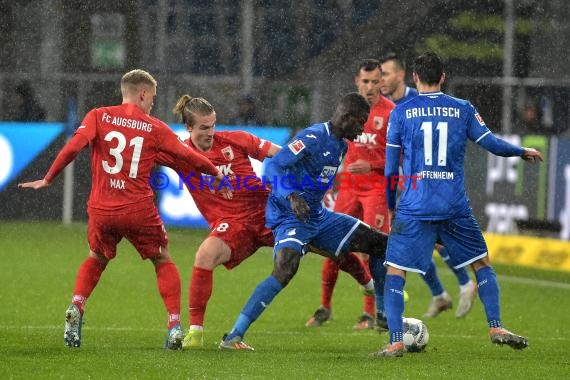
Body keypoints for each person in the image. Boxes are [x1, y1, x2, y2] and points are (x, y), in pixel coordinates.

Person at [18, 69, 226, 350]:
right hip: (138, 208)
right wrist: (215, 172)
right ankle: (175, 325)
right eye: (152, 97)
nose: (152, 102)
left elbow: (74, 147)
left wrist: (48, 178)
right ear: (142, 93)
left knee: (97, 257)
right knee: (162, 259)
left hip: (102, 209)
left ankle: (77, 306)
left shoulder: (98, 116)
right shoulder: (154, 127)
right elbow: (188, 156)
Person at [157, 94, 375, 349]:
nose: (211, 132)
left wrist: (304, 188)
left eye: (213, 125)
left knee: (328, 245)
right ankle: (195, 333)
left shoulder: (234, 140)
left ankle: (368, 285)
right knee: (205, 255)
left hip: (269, 213)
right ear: (189, 127)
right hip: (233, 227)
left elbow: (282, 157)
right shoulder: (181, 154)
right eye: (204, 128)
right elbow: (148, 155)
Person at [373, 52, 541, 357]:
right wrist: (521, 151)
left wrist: (390, 205)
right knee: (482, 264)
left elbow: (390, 169)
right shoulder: (462, 109)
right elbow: (490, 142)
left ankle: (396, 340)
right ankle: (496, 325)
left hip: (414, 205)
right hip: (454, 206)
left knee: (396, 272)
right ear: (443, 77)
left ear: (414, 78)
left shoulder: (400, 113)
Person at [219, 92, 391, 351]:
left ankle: (382, 314)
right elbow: (275, 167)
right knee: (285, 269)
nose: (363, 128)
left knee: (379, 243)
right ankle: (233, 336)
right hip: (289, 216)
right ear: (347, 117)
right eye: (361, 122)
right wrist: (291, 196)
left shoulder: (341, 145)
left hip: (318, 217)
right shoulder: (312, 137)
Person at [381, 52, 477, 319]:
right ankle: (442, 293)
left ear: (402, 75)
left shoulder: (418, 101)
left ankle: (461, 283)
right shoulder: (386, 105)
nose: (381, 79)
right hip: (403, 180)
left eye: (385, 74)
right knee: (419, 243)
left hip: (424, 183)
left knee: (423, 240)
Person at [306, 59, 394, 331]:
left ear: (382, 82)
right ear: (357, 81)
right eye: (364, 81)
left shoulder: (391, 113)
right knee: (332, 246)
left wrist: (373, 165)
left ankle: (371, 313)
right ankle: (325, 308)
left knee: (371, 249)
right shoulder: (350, 110)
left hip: (376, 190)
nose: (369, 87)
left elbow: (399, 157)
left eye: (374, 81)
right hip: (349, 188)